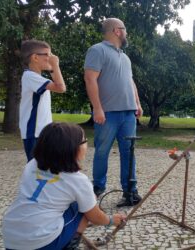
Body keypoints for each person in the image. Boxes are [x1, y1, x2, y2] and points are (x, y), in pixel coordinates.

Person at [2, 122, 126, 249]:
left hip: (10, 237)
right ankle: (70, 244)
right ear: (73, 149)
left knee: (78, 201)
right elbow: (95, 217)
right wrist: (111, 220)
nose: (86, 145)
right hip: (40, 244)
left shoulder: (32, 164)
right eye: (84, 141)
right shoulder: (78, 181)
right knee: (85, 204)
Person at [84, 18, 143, 207]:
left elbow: (130, 82)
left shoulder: (125, 57)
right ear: (117, 31)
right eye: (125, 30)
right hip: (107, 113)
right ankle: (97, 189)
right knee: (102, 152)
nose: (127, 34)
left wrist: (138, 103)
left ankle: (130, 192)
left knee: (129, 153)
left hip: (128, 114)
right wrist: (98, 108)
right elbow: (90, 79)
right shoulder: (97, 50)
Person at [19, 40, 66, 161]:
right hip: (34, 132)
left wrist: (51, 69)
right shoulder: (30, 76)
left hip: (41, 132)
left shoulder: (36, 78)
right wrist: (55, 65)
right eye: (47, 55)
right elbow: (61, 87)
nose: (50, 58)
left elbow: (58, 86)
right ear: (35, 57)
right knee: (37, 170)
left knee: (44, 169)